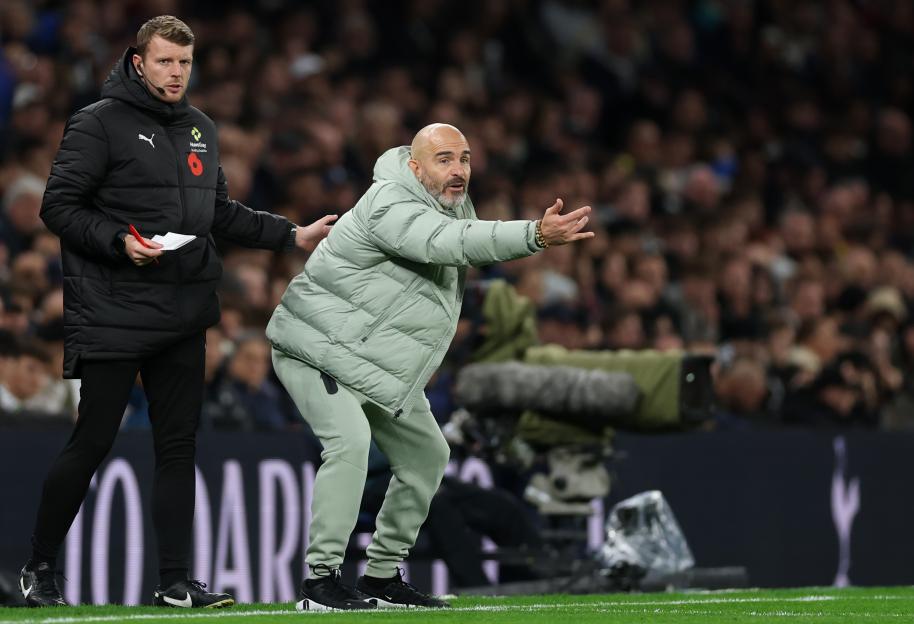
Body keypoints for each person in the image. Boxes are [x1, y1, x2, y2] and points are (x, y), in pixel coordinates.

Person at [18, 15, 335, 609]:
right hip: (113, 307)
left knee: (178, 448)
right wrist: (118, 240)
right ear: (138, 61)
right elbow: (58, 207)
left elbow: (217, 212)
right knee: (92, 441)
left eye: (184, 63)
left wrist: (290, 235)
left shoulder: (200, 129)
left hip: (184, 309)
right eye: (165, 62)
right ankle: (39, 567)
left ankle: (172, 583)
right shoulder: (97, 123)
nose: (176, 73)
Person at [267, 122, 592, 610]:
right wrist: (534, 235)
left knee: (427, 456)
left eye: (463, 158)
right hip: (315, 349)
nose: (458, 169)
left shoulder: (448, 204)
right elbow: (450, 243)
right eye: (444, 159)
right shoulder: (389, 202)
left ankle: (380, 577)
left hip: (368, 362)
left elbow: (457, 242)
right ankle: (320, 580)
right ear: (415, 167)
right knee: (350, 442)